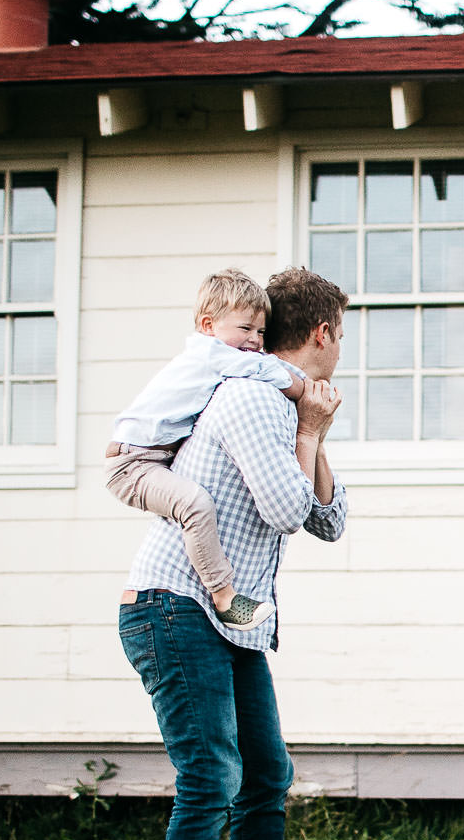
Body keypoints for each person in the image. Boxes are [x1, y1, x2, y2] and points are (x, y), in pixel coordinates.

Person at [118, 267, 347, 840]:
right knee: (210, 776)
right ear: (322, 333)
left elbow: (330, 520)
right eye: (342, 333)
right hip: (173, 605)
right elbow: (288, 512)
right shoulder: (252, 398)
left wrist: (315, 434)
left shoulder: (289, 407)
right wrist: (309, 429)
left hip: (233, 614)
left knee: (265, 772)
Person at [107, 268, 313, 632]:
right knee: (195, 504)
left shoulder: (224, 355)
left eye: (261, 332)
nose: (255, 340)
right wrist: (304, 392)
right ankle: (223, 596)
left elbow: (264, 363)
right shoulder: (211, 354)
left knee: (193, 499)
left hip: (151, 457)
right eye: (245, 329)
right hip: (132, 464)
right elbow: (268, 371)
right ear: (207, 325)